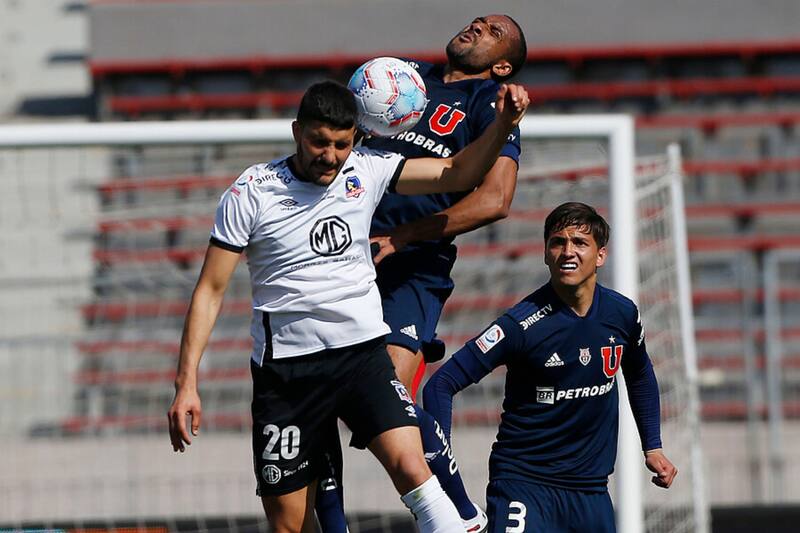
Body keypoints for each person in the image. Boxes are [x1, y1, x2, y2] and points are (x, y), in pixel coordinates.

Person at [166, 80, 529, 533]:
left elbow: (455, 170)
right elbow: (210, 290)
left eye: (341, 144)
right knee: (289, 524)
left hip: (362, 359)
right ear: (297, 131)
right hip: (287, 377)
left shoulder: (368, 169)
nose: (331, 155)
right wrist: (187, 383)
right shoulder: (252, 192)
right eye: (319, 142)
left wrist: (502, 126)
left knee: (413, 469)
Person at [315, 15, 528, 532]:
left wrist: (405, 237)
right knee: (315, 393)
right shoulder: (400, 77)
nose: (478, 25)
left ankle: (462, 516)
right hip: (338, 252)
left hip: (411, 265)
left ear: (503, 65)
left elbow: (496, 200)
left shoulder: (489, 107)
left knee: (386, 395)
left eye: (494, 31)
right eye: (478, 20)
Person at [422, 202, 678, 532]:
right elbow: (440, 384)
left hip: (591, 492)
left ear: (601, 255)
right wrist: (444, 471)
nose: (567, 251)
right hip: (524, 485)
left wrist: (652, 445)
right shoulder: (520, 324)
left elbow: (640, 372)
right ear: (545, 253)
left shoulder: (622, 314)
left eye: (580, 243)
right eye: (558, 242)